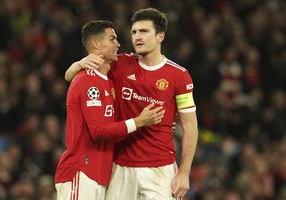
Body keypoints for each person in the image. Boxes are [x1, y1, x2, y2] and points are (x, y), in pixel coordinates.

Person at [65, 8, 198, 200]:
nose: (137, 37)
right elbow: (71, 77)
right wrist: (80, 63)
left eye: (144, 31)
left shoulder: (179, 76)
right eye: (134, 32)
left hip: (160, 168)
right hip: (120, 166)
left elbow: (190, 125)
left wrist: (184, 172)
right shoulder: (120, 64)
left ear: (160, 36)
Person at [55, 20, 165, 200]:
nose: (118, 44)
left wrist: (153, 124)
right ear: (96, 44)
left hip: (99, 175)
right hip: (80, 173)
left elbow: (114, 128)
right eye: (112, 39)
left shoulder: (108, 80)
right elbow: (98, 131)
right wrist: (138, 122)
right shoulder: (87, 81)